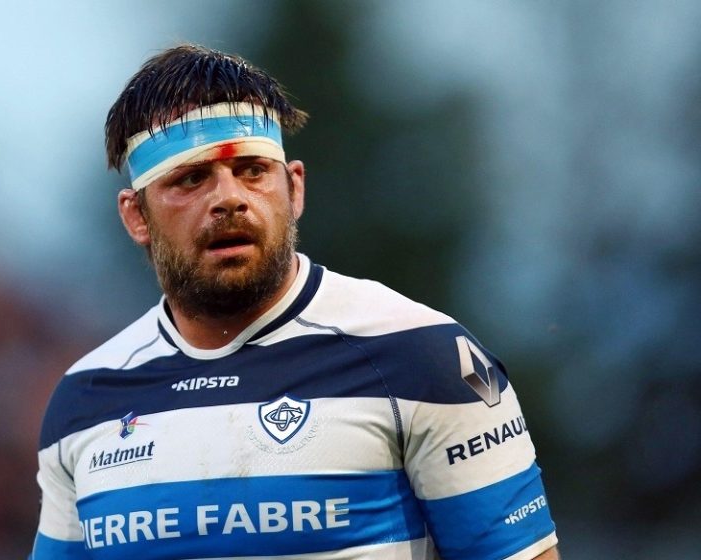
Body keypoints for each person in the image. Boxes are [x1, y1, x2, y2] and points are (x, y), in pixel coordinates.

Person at [30, 44, 559, 560]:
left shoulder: (423, 357)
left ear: (294, 187)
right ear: (136, 217)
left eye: (253, 171)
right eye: (191, 179)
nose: (229, 198)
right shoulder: (84, 401)